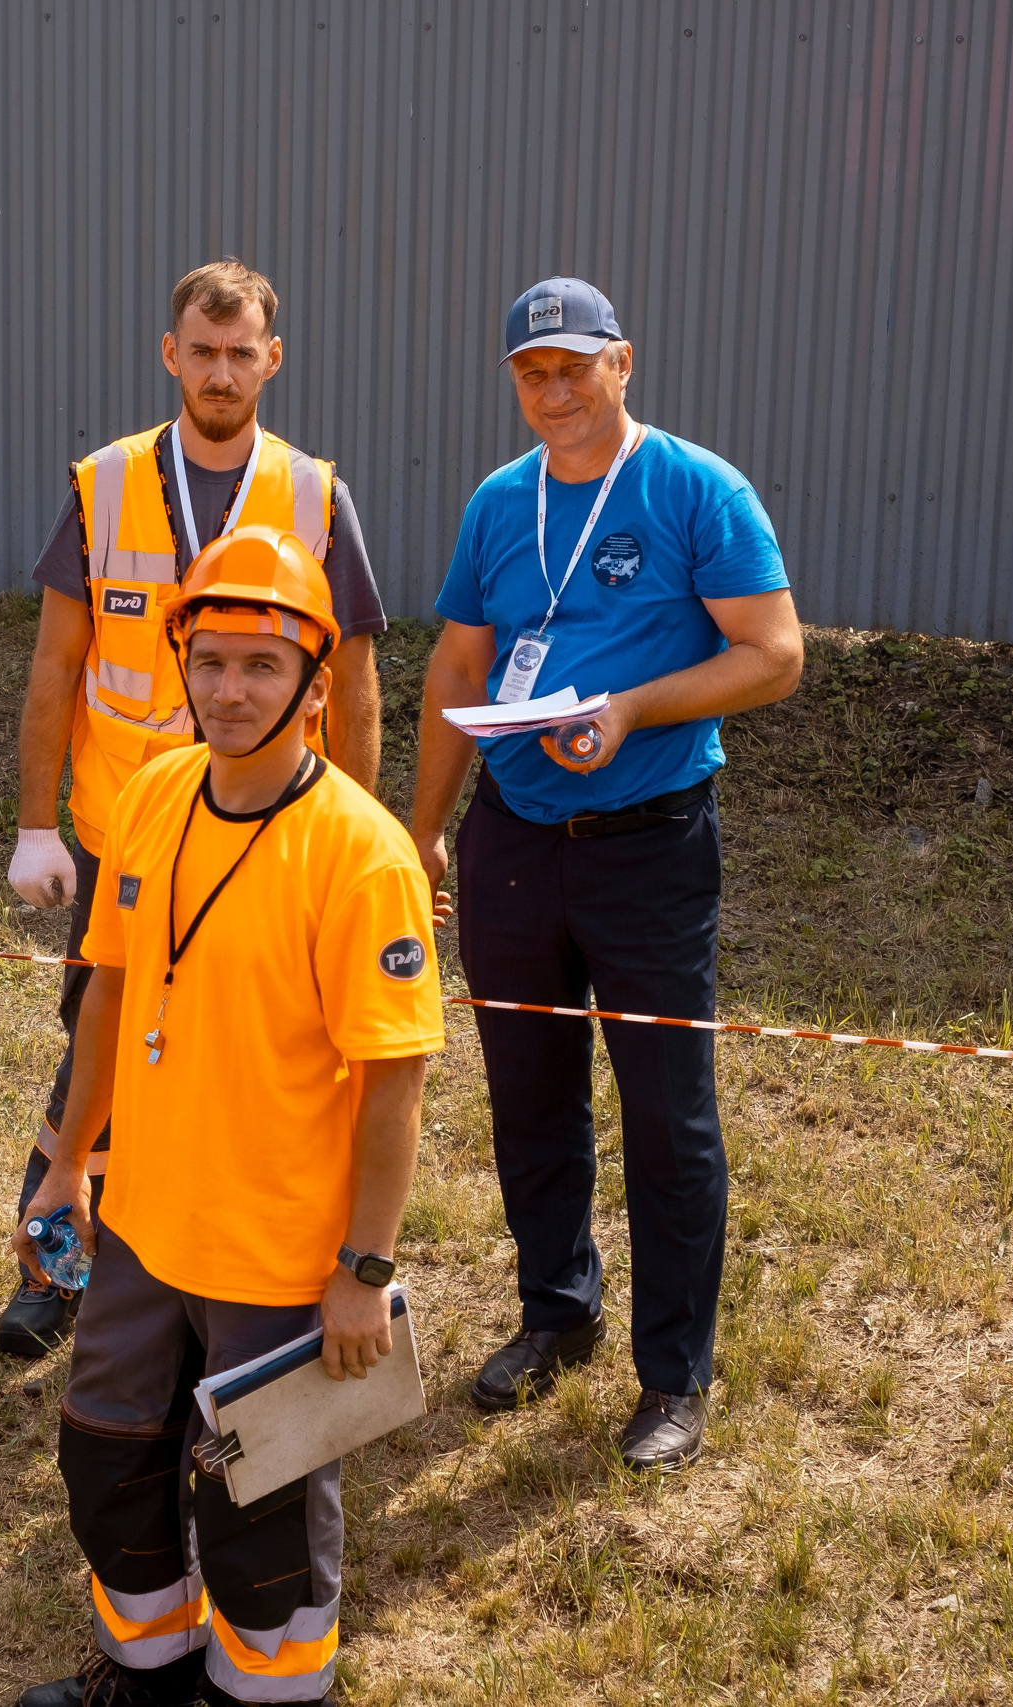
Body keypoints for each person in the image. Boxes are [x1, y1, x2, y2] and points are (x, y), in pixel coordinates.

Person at [15, 527, 443, 1707]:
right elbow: (106, 991)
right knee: (106, 1457)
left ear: (314, 686)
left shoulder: (360, 856)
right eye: (209, 662)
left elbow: (396, 1079)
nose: (230, 690)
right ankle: (146, 1673)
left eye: (262, 665)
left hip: (280, 1255)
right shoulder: (153, 795)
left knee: (258, 1505)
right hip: (144, 1226)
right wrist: (65, 1164)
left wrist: (362, 1266)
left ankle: (263, 1693)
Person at [407, 277, 804, 1472]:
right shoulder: (498, 503)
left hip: (647, 846)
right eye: (533, 372)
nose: (556, 390)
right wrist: (421, 828)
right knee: (530, 1097)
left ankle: (674, 1376)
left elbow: (773, 655)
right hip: (514, 840)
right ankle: (557, 1311)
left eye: (577, 365)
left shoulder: (695, 488)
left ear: (623, 362)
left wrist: (631, 707)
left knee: (667, 1115)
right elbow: (456, 662)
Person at [0, 257, 391, 1360]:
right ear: (171, 355)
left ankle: (209, 1262)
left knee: (248, 1062)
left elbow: (352, 682)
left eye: (241, 352)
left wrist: (354, 837)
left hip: (273, 844)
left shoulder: (316, 494)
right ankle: (51, 1262)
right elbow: (52, 669)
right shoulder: (103, 482)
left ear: (272, 359)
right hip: (126, 836)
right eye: (202, 352)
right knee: (100, 1041)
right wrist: (37, 825)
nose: (221, 372)